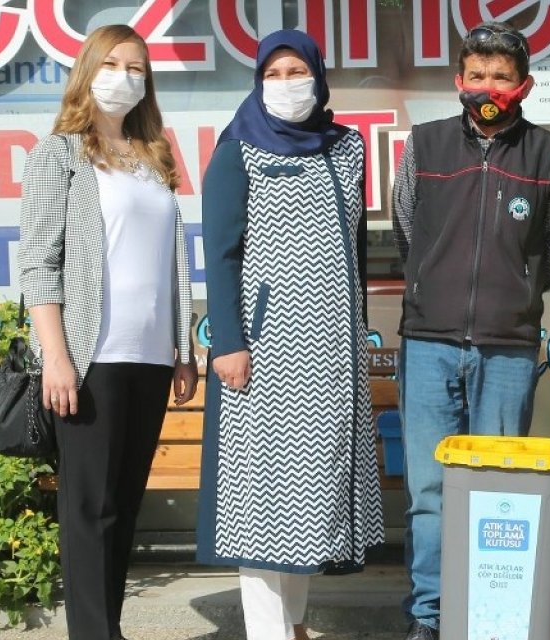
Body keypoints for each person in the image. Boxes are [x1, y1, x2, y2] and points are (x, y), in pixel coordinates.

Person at [196, 29, 384, 640]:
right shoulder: (237, 148)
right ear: (257, 81)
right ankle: (268, 632)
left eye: (295, 71)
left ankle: (296, 623)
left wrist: (357, 328)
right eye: (272, 74)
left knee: (313, 493)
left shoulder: (347, 148)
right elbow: (220, 253)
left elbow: (354, 249)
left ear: (318, 76)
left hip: (331, 354)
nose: (285, 85)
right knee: (264, 503)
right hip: (263, 352)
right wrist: (227, 341)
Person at [390, 20, 550, 640]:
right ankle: (430, 614)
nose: (488, 85)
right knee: (431, 492)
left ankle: (489, 615)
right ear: (459, 80)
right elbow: (410, 227)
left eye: (501, 75)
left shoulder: (548, 153)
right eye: (477, 74)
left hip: (508, 349)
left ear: (523, 84)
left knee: (499, 492)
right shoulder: (426, 145)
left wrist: (513, 294)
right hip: (430, 342)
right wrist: (437, 291)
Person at [18, 24, 198, 640]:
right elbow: (38, 262)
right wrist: (56, 357)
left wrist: (184, 346)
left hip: (149, 357)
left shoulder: (154, 156)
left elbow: (171, 260)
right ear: (88, 69)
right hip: (90, 355)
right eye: (114, 63)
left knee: (121, 508)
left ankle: (106, 628)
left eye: (137, 66)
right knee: (89, 509)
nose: (125, 76)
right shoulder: (60, 154)